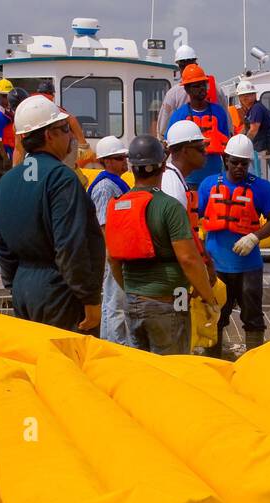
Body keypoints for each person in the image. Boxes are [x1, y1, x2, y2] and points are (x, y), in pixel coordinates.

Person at [0, 95, 105, 330]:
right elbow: (70, 246)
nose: (70, 135)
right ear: (48, 135)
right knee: (68, 362)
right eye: (64, 129)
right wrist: (90, 298)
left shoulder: (7, 180)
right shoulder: (61, 178)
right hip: (60, 290)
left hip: (23, 287)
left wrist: (16, 283)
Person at [105, 136, 216, 355]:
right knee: (172, 373)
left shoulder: (118, 205)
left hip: (132, 302)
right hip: (168, 303)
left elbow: (112, 259)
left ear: (132, 168)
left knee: (144, 373)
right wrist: (209, 299)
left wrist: (132, 291)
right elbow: (188, 259)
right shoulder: (169, 206)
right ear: (163, 165)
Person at [197, 134, 270, 353]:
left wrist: (254, 237)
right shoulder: (208, 185)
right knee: (216, 315)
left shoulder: (262, 188)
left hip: (249, 267)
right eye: (235, 162)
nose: (239, 167)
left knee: (253, 316)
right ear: (225, 159)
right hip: (216, 266)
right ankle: (214, 359)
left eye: (244, 163)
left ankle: (254, 361)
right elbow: (198, 218)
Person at [161, 119, 217, 284]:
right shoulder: (171, 185)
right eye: (201, 149)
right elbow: (176, 241)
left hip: (177, 270)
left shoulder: (175, 179)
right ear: (185, 151)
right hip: (172, 275)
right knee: (180, 310)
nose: (205, 153)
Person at [89, 136, 131, 343]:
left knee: (112, 304)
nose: (125, 161)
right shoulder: (105, 187)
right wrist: (114, 257)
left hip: (114, 252)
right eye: (119, 157)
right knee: (116, 306)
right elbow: (104, 225)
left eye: (124, 157)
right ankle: (116, 348)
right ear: (106, 161)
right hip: (111, 254)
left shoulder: (115, 183)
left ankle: (109, 344)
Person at [167, 64, 232, 189]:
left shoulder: (219, 112)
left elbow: (226, 146)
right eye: (196, 86)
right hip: (188, 180)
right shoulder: (179, 115)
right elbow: (171, 147)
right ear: (187, 89)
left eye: (204, 84)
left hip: (215, 177)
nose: (202, 88)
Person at [13, 78, 92, 167]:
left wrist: (15, 169)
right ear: (52, 94)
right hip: (60, 146)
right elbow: (71, 119)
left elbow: (18, 148)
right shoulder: (45, 106)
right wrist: (83, 144)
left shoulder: (22, 115)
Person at [236, 79, 270, 211]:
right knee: (266, 178)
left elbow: (253, 129)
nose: (245, 98)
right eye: (242, 96)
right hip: (266, 149)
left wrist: (243, 145)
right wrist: (236, 141)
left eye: (248, 95)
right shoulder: (250, 111)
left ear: (254, 95)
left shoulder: (257, 109)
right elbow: (246, 128)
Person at [155, 45, 219, 136]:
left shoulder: (173, 94)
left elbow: (163, 129)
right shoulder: (215, 87)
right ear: (196, 64)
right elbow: (227, 124)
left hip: (187, 145)